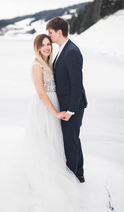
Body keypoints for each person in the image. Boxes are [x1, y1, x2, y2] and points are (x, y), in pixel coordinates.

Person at [22, 34, 82, 212]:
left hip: (54, 105)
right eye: (43, 45)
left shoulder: (49, 63)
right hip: (44, 108)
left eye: (49, 44)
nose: (47, 48)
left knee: (54, 141)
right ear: (37, 48)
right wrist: (55, 112)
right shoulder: (37, 65)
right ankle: (42, 178)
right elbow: (41, 94)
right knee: (44, 141)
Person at [46, 17, 88, 183]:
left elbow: (77, 85)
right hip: (67, 104)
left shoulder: (71, 52)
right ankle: (78, 173)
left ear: (59, 32)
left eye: (50, 32)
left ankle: (74, 177)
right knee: (72, 139)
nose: (48, 36)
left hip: (74, 106)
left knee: (71, 141)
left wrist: (71, 110)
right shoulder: (63, 49)